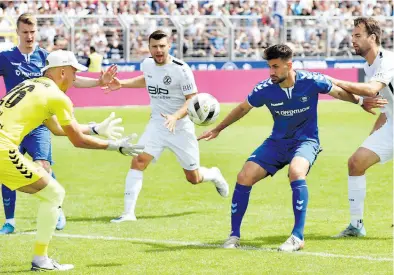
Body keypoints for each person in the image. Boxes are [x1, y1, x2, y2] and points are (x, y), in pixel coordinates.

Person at [198, 44, 384, 251]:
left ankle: (297, 236)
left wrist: (360, 103)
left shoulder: (310, 80)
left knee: (296, 172)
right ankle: (233, 235)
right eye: (269, 67)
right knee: (244, 176)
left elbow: (339, 92)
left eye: (276, 67)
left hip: (306, 141)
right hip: (276, 143)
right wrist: (218, 129)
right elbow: (243, 108)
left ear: (289, 65)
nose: (271, 72)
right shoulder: (264, 89)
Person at [0, 49, 143, 271]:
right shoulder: (57, 96)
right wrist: (115, 146)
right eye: (74, 72)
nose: (76, 77)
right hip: (3, 149)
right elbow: (77, 140)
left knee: (51, 193)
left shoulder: (33, 85)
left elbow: (57, 129)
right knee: (54, 193)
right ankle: (40, 259)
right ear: (63, 71)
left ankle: (41, 259)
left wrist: (95, 128)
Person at [0, 13, 117, 234]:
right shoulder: (5, 57)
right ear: (17, 33)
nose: (29, 36)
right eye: (25, 32)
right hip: (13, 125)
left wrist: (98, 82)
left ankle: (57, 207)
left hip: (40, 124)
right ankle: (10, 221)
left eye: (33, 32)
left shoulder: (47, 57)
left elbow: (70, 77)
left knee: (43, 164)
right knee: (8, 170)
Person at [103, 30, 229, 223]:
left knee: (193, 178)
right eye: (154, 46)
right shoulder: (146, 64)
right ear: (149, 48)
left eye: (162, 46)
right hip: (157, 124)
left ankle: (213, 174)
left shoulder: (182, 69)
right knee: (138, 161)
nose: (158, 50)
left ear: (169, 46)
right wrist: (123, 84)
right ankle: (128, 213)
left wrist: (175, 116)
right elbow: (148, 79)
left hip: (181, 128)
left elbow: (192, 99)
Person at [327, 17, 393, 238]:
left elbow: (371, 89)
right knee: (356, 162)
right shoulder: (369, 66)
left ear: (372, 38)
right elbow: (383, 106)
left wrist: (333, 80)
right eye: (352, 35)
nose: (352, 40)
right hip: (391, 125)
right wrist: (373, 136)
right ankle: (356, 225)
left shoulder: (388, 61)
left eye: (357, 36)